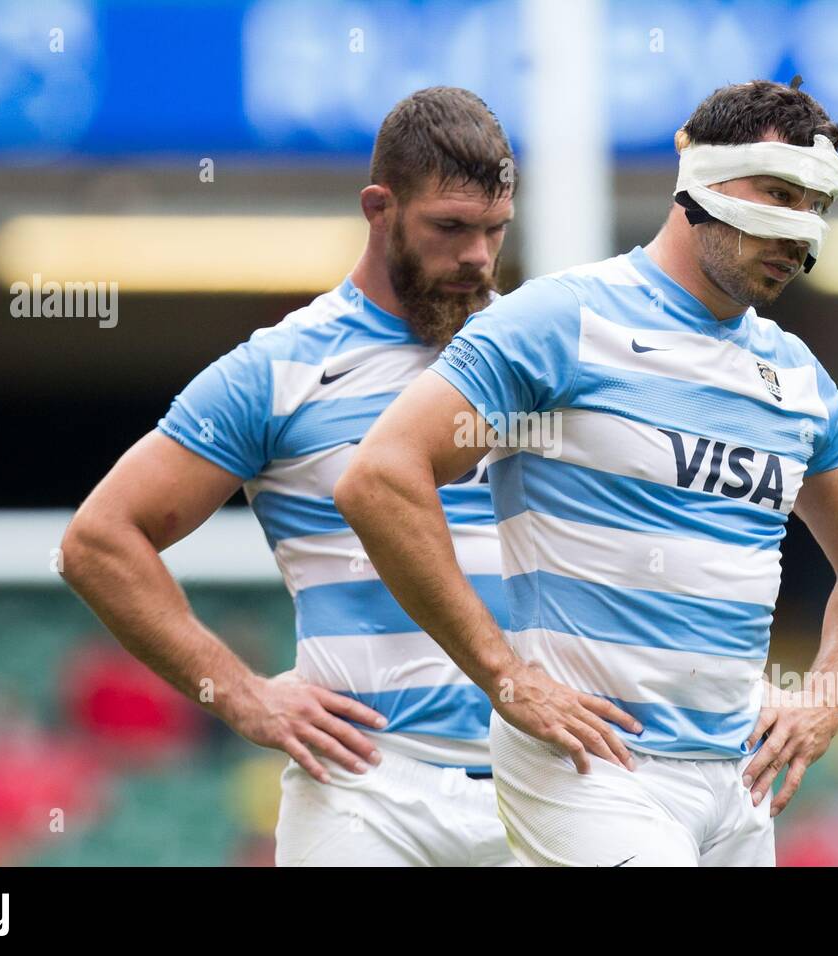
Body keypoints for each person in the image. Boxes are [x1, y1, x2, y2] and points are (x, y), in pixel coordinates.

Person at [335, 79, 838, 866]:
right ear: (699, 177)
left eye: (816, 207)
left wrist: (828, 697)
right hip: (596, 771)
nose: (798, 233)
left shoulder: (795, 376)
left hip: (737, 784)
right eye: (778, 194)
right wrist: (506, 677)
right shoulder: (561, 322)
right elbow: (380, 475)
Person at [60, 87, 519, 866]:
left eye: (494, 231)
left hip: (539, 784)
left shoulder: (535, 354)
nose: (476, 255)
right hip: (367, 795)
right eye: (450, 227)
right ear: (380, 208)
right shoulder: (277, 370)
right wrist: (241, 695)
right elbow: (98, 541)